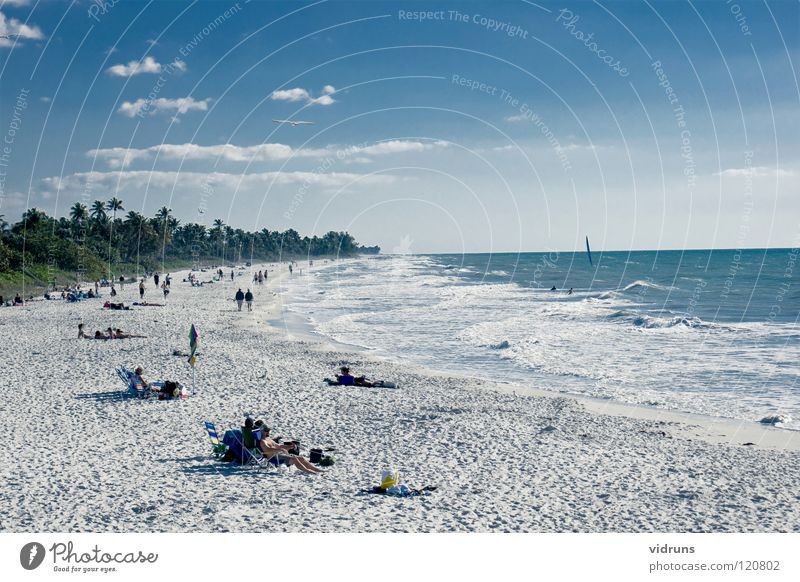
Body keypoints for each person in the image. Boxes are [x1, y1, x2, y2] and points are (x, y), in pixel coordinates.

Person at [252, 421, 322, 474]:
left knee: (302, 458)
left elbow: (279, 446)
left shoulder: (269, 439)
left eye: (269, 431)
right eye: (267, 431)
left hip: (280, 455)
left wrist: (290, 446)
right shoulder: (263, 441)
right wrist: (279, 450)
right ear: (263, 432)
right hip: (274, 458)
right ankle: (308, 471)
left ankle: (317, 470)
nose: (268, 432)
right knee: (295, 459)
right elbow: (266, 450)